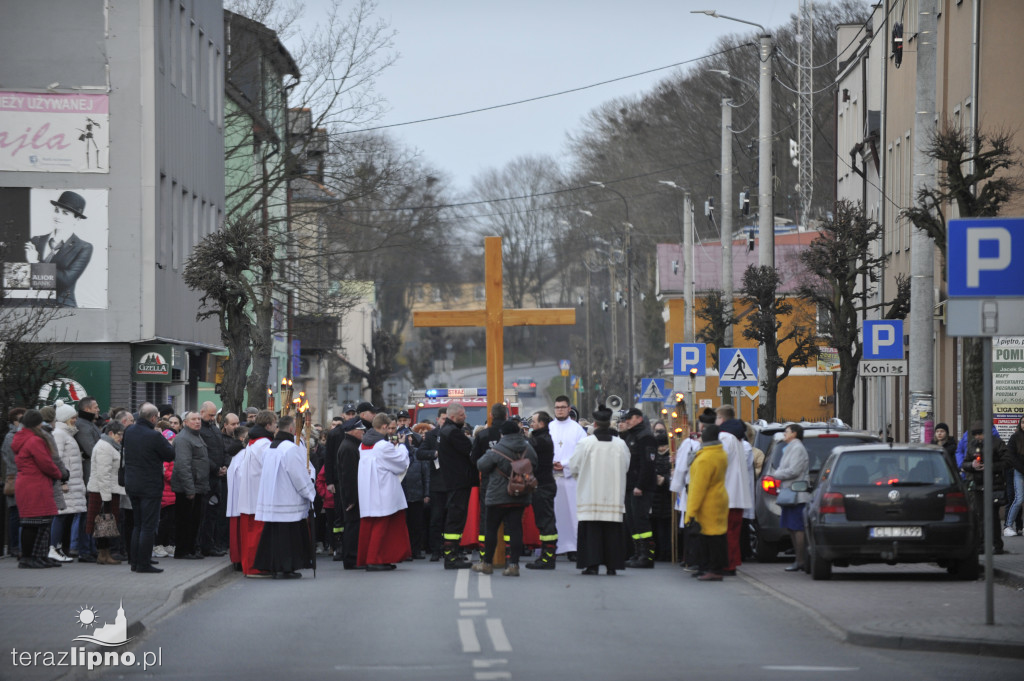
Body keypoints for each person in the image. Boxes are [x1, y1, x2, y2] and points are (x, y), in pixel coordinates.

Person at [566, 406, 630, 575]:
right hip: (614, 496)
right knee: (612, 532)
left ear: (594, 424)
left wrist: (581, 476)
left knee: (591, 531)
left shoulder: (585, 444)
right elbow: (626, 466)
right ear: (610, 423)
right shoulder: (620, 444)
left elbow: (574, 466)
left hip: (590, 494)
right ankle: (612, 566)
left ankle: (591, 565)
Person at [253, 416, 316, 578]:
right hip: (288, 500)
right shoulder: (290, 448)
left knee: (274, 537)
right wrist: (310, 493)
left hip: (274, 500)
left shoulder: (271, 448)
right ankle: (287, 567)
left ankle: (274, 566)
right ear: (290, 429)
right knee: (289, 538)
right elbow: (298, 476)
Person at [474, 419, 539, 577]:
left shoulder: (497, 449)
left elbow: (481, 465)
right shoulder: (527, 448)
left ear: (502, 434)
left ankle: (487, 563)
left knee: (491, 530)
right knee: (516, 529)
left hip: (497, 495)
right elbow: (535, 463)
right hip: (520, 494)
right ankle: (514, 565)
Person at [123, 402, 176, 573]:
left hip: (132, 483)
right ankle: (144, 563)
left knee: (137, 524)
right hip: (150, 486)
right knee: (148, 525)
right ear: (153, 418)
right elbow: (170, 454)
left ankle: (135, 562)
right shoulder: (154, 436)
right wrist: (161, 436)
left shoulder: (129, 431)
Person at [357, 413, 412, 571]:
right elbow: (400, 463)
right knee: (382, 529)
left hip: (368, 491)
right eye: (389, 428)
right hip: (383, 491)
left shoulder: (363, 445)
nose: (391, 431)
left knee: (371, 527)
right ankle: (376, 559)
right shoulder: (382, 446)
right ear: (383, 427)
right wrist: (402, 446)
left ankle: (376, 558)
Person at [13, 410, 67, 568]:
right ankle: (29, 557)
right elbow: (46, 463)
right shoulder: (34, 440)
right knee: (33, 522)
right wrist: (59, 474)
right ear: (37, 423)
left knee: (41, 522)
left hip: (33, 483)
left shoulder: (24, 438)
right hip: (35, 484)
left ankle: (38, 556)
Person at [226, 410, 276, 576]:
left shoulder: (254, 442)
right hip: (257, 496)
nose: (276, 428)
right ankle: (255, 567)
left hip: (250, 495)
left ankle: (251, 566)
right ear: (268, 425)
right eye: (275, 425)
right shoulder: (263, 444)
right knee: (256, 535)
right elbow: (270, 469)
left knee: (251, 535)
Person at [25, 190, 94, 307]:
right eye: (57, 210)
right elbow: (23, 275)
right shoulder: (36, 240)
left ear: (77, 219)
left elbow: (65, 280)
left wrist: (35, 263)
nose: (58, 216)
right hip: (32, 306)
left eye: (65, 213)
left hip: (62, 307)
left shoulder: (84, 248)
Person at [672, 408, 717, 570]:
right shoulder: (724, 440)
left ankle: (694, 559)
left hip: (695, 488)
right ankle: (706, 562)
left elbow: (682, 467)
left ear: (701, 427)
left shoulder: (690, 444)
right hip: (715, 492)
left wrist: (676, 486)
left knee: (694, 524)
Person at [685, 425, 730, 581]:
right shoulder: (720, 453)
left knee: (710, 538)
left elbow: (698, 488)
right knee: (716, 536)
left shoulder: (704, 458)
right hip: (719, 498)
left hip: (707, 503)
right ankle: (710, 568)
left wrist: (690, 512)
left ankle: (713, 569)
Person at [960, 421, 1008, 554]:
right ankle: (982, 544)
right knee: (980, 515)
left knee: (992, 515)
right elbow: (965, 463)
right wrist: (972, 465)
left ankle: (997, 545)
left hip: (994, 485)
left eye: (980, 434)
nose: (977, 437)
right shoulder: (972, 445)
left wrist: (990, 467)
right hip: (978, 485)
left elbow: (1007, 461)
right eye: (975, 435)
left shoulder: (997, 443)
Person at [716, 408, 754, 576]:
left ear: (722, 419)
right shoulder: (739, 440)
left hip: (727, 493)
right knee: (733, 532)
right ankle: (732, 562)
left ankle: (726, 564)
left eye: (717, 418)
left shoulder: (724, 437)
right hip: (738, 494)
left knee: (726, 532)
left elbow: (718, 463)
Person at [550, 395, 587, 561]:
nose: (559, 410)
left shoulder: (578, 430)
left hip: (571, 479)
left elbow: (582, 453)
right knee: (554, 514)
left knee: (573, 515)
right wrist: (552, 463)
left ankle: (574, 547)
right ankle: (554, 547)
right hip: (552, 478)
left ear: (569, 409)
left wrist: (564, 464)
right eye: (557, 407)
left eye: (563, 407)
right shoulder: (549, 427)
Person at [438, 402, 475, 569]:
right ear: (452, 417)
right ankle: (451, 556)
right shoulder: (453, 432)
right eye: (462, 415)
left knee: (456, 518)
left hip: (454, 481)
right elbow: (470, 449)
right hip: (458, 481)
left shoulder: (447, 430)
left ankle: (454, 552)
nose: (465, 417)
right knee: (455, 519)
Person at [620, 407, 658, 569]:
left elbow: (647, 464)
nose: (626, 421)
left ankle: (647, 555)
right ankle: (637, 552)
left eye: (629, 418)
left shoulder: (646, 437)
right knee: (632, 521)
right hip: (630, 485)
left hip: (640, 487)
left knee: (641, 521)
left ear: (638, 419)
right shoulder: (631, 436)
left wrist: (640, 485)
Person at [170, 411, 210, 560]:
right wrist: (189, 489)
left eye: (199, 419)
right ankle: (183, 550)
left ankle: (191, 548)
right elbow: (183, 465)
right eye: (193, 419)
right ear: (185, 422)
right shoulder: (183, 439)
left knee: (194, 521)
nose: (197, 422)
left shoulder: (196, 435)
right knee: (185, 521)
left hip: (198, 486)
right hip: (187, 488)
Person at [86, 420, 125, 565]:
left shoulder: (110, 446)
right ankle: (103, 555)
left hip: (107, 490)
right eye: (119, 435)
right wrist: (106, 498)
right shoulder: (104, 447)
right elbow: (103, 474)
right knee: (103, 525)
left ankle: (104, 554)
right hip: (102, 492)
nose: (121, 438)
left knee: (105, 526)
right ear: (110, 433)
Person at [50, 402, 86, 563]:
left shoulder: (66, 434)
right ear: (64, 418)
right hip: (66, 484)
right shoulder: (59, 434)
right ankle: (53, 547)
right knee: (61, 516)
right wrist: (62, 481)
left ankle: (60, 549)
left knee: (66, 516)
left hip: (72, 482)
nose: (75, 420)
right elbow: (56, 458)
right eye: (73, 417)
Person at [774, 423, 810, 572]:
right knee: (791, 528)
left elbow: (794, 470)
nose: (784, 434)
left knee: (797, 528)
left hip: (796, 493)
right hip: (790, 492)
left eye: (787, 431)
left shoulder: (797, 448)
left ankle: (800, 560)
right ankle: (799, 559)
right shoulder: (792, 447)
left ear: (794, 434)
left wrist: (777, 474)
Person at [526, 410, 558, 569]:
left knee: (546, 522)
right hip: (544, 484)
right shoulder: (541, 438)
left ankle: (548, 558)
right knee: (545, 521)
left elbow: (526, 447)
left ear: (542, 424)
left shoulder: (541, 440)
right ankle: (547, 555)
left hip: (543, 486)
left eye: (533, 422)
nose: (531, 424)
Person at [73, 396, 102, 563]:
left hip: (94, 473)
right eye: (96, 407)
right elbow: (92, 450)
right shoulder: (83, 426)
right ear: (87, 409)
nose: (98, 409)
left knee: (93, 514)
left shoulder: (89, 424)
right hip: (89, 475)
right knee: (88, 515)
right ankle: (85, 550)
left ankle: (91, 548)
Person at [416, 410, 448, 561]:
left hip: (454, 483)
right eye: (443, 419)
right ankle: (436, 550)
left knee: (453, 519)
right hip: (437, 484)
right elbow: (420, 453)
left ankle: (452, 549)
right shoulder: (430, 436)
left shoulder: (457, 434)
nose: (445, 422)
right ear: (438, 419)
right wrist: (434, 454)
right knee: (436, 518)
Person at [197, 402, 228, 557]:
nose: (212, 418)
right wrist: (216, 468)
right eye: (210, 415)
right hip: (207, 477)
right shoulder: (200, 430)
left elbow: (222, 450)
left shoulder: (214, 429)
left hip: (217, 477)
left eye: (214, 415)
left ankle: (211, 544)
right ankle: (203, 545)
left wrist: (224, 466)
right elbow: (203, 455)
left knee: (214, 513)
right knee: (205, 514)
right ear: (202, 412)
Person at [2, 407, 26, 558]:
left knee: (18, 513)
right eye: (21, 419)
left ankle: (16, 546)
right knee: (15, 513)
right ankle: (14, 546)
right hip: (15, 478)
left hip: (19, 477)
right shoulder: (11, 437)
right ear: (14, 421)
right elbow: (12, 460)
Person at [650, 431, 673, 562]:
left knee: (668, 527)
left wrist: (665, 479)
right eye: (660, 446)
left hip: (668, 497)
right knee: (658, 527)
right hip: (656, 498)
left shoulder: (671, 457)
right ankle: (659, 552)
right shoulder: (654, 457)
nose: (662, 448)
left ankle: (668, 551)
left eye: (664, 445)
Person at [1006, 417, 1024, 537]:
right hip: (1019, 471)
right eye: (1023, 422)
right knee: (1019, 499)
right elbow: (1011, 457)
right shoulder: (1015, 437)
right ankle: (1008, 525)